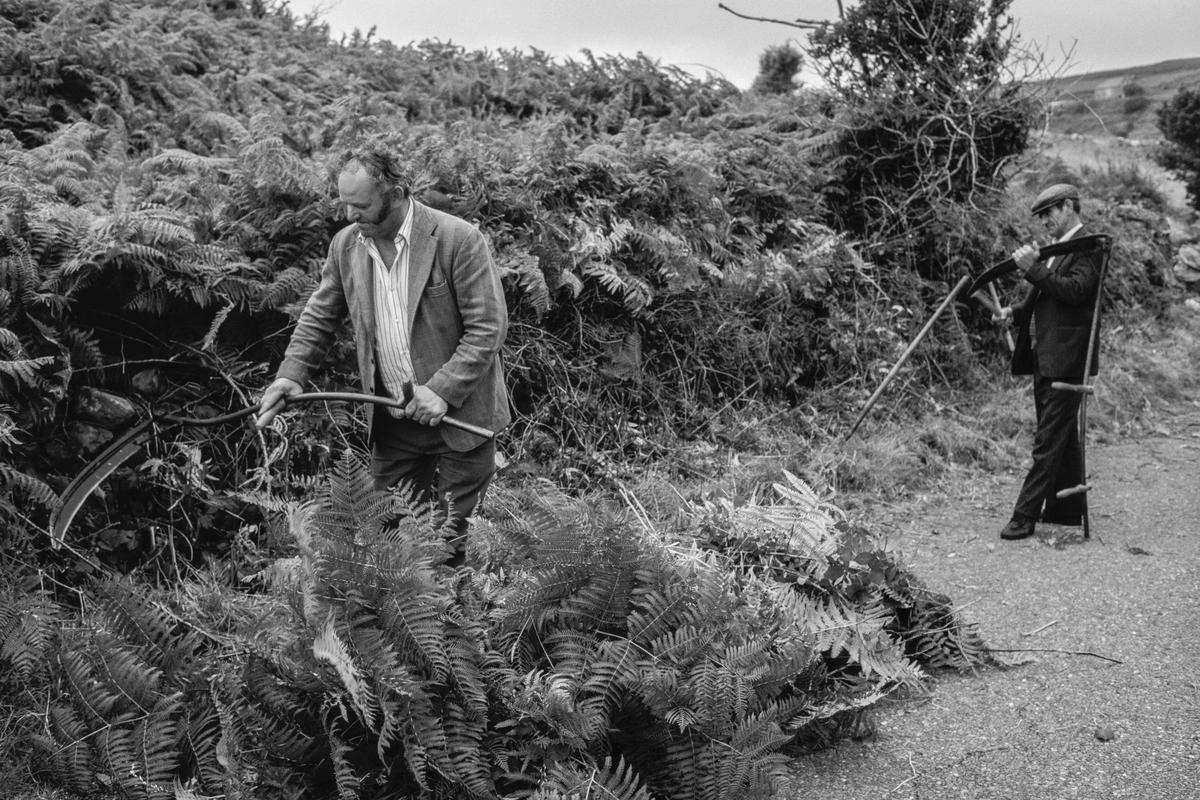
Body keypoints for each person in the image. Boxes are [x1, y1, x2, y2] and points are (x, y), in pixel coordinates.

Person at [256, 145, 510, 559]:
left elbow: (488, 329)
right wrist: (291, 374)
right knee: (384, 534)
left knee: (451, 541)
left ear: (395, 192)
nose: (350, 215)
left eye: (361, 205)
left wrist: (442, 390)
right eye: (345, 205)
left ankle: (454, 619)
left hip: (462, 416)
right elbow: (319, 316)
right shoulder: (346, 246)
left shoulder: (457, 239)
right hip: (395, 420)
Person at [993, 183, 1102, 541]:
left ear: (1069, 207)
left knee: (1047, 439)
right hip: (1046, 355)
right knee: (1062, 435)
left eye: (1049, 213)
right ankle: (1065, 509)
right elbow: (1046, 298)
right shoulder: (1055, 250)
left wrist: (1035, 268)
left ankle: (1023, 516)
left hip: (1069, 359)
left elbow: (1075, 291)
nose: (1044, 222)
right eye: (1040, 216)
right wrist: (1014, 311)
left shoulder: (1088, 245)